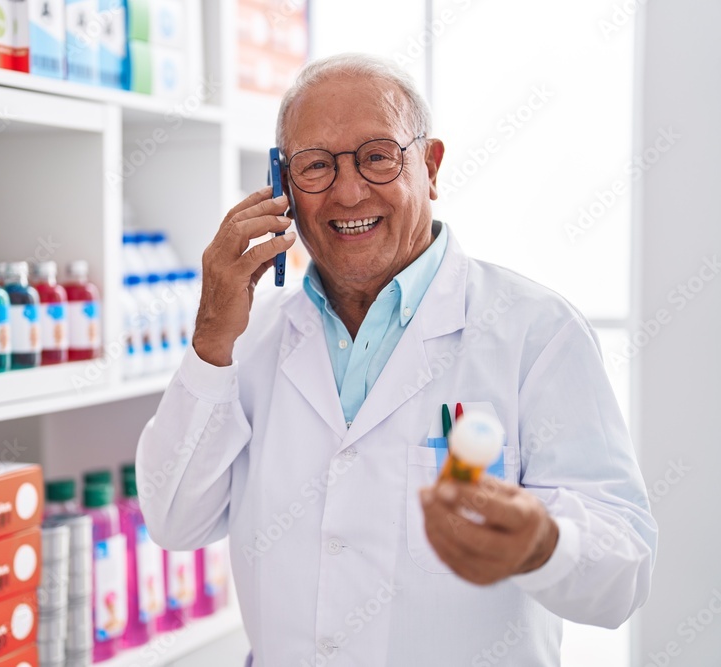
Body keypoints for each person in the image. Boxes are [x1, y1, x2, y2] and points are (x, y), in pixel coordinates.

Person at [135, 52, 656, 665]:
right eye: (316, 166)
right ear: (283, 189)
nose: (349, 191)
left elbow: (625, 573)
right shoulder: (247, 340)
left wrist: (544, 542)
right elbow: (174, 521)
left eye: (378, 155)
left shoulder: (536, 332)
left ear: (430, 167)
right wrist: (209, 342)